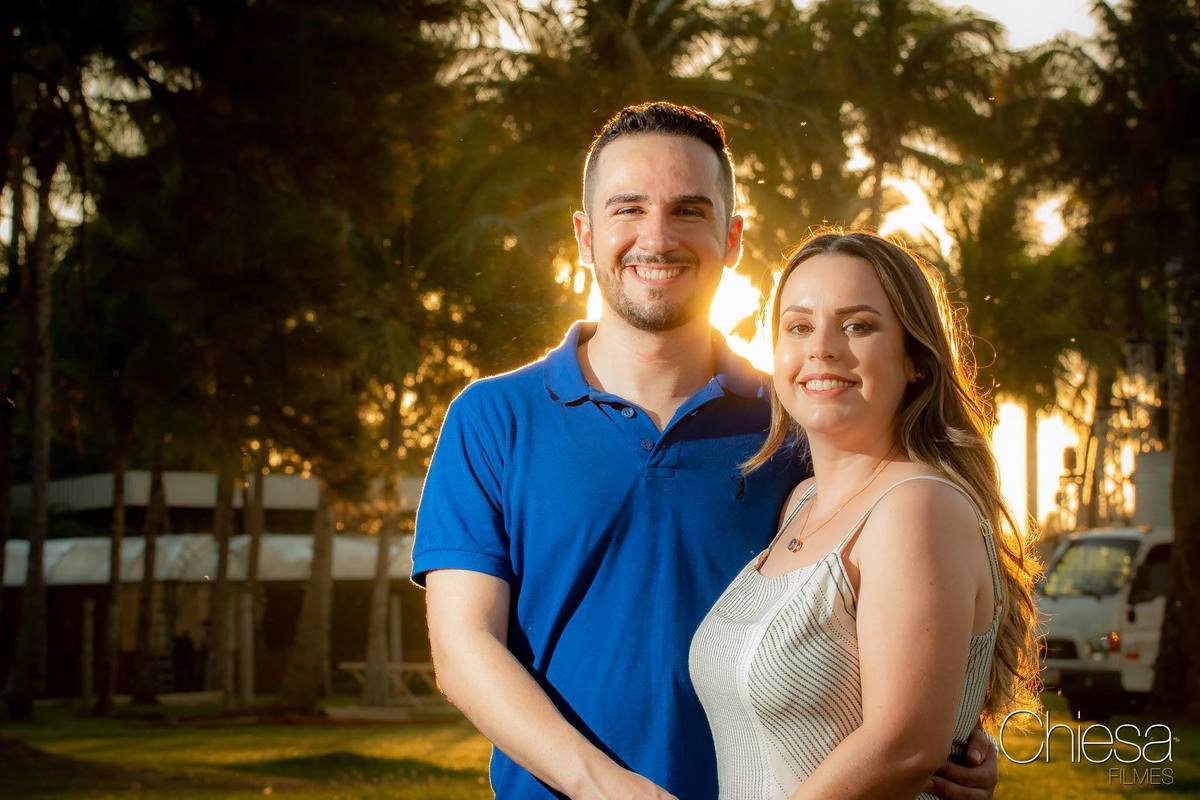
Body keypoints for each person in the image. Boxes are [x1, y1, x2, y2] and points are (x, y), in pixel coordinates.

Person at [413, 102, 999, 799]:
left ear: (733, 237)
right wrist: (607, 788)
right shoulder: (492, 419)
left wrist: (947, 729)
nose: (657, 238)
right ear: (585, 236)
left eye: (688, 210)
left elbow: (894, 618)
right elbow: (464, 649)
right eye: (628, 209)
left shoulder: (800, 425)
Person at [689, 231, 1043, 799]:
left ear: (914, 360)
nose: (821, 348)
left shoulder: (918, 506)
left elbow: (902, 747)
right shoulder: (800, 503)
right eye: (798, 326)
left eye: (857, 325)